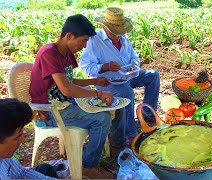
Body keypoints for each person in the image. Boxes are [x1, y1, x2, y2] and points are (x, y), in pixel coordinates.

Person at [29, 14, 127, 179]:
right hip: (50, 110)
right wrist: (98, 93)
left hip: (65, 104)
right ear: (69, 36)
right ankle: (87, 166)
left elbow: (67, 80)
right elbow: (67, 88)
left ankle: (112, 147)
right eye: (82, 41)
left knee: (111, 109)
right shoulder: (48, 53)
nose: (84, 46)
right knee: (102, 119)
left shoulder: (66, 53)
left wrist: (94, 81)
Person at [80, 7, 160, 143]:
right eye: (114, 32)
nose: (118, 35)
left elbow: (134, 56)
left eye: (120, 32)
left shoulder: (123, 37)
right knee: (126, 92)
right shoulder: (94, 41)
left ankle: (147, 114)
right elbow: (87, 67)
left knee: (153, 75)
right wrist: (106, 67)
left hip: (126, 77)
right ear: (105, 28)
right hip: (107, 82)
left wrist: (134, 64)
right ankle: (131, 133)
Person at [0, 98, 55, 179]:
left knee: (45, 168)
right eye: (16, 138)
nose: (23, 140)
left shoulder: (4, 158)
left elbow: (21, 173)